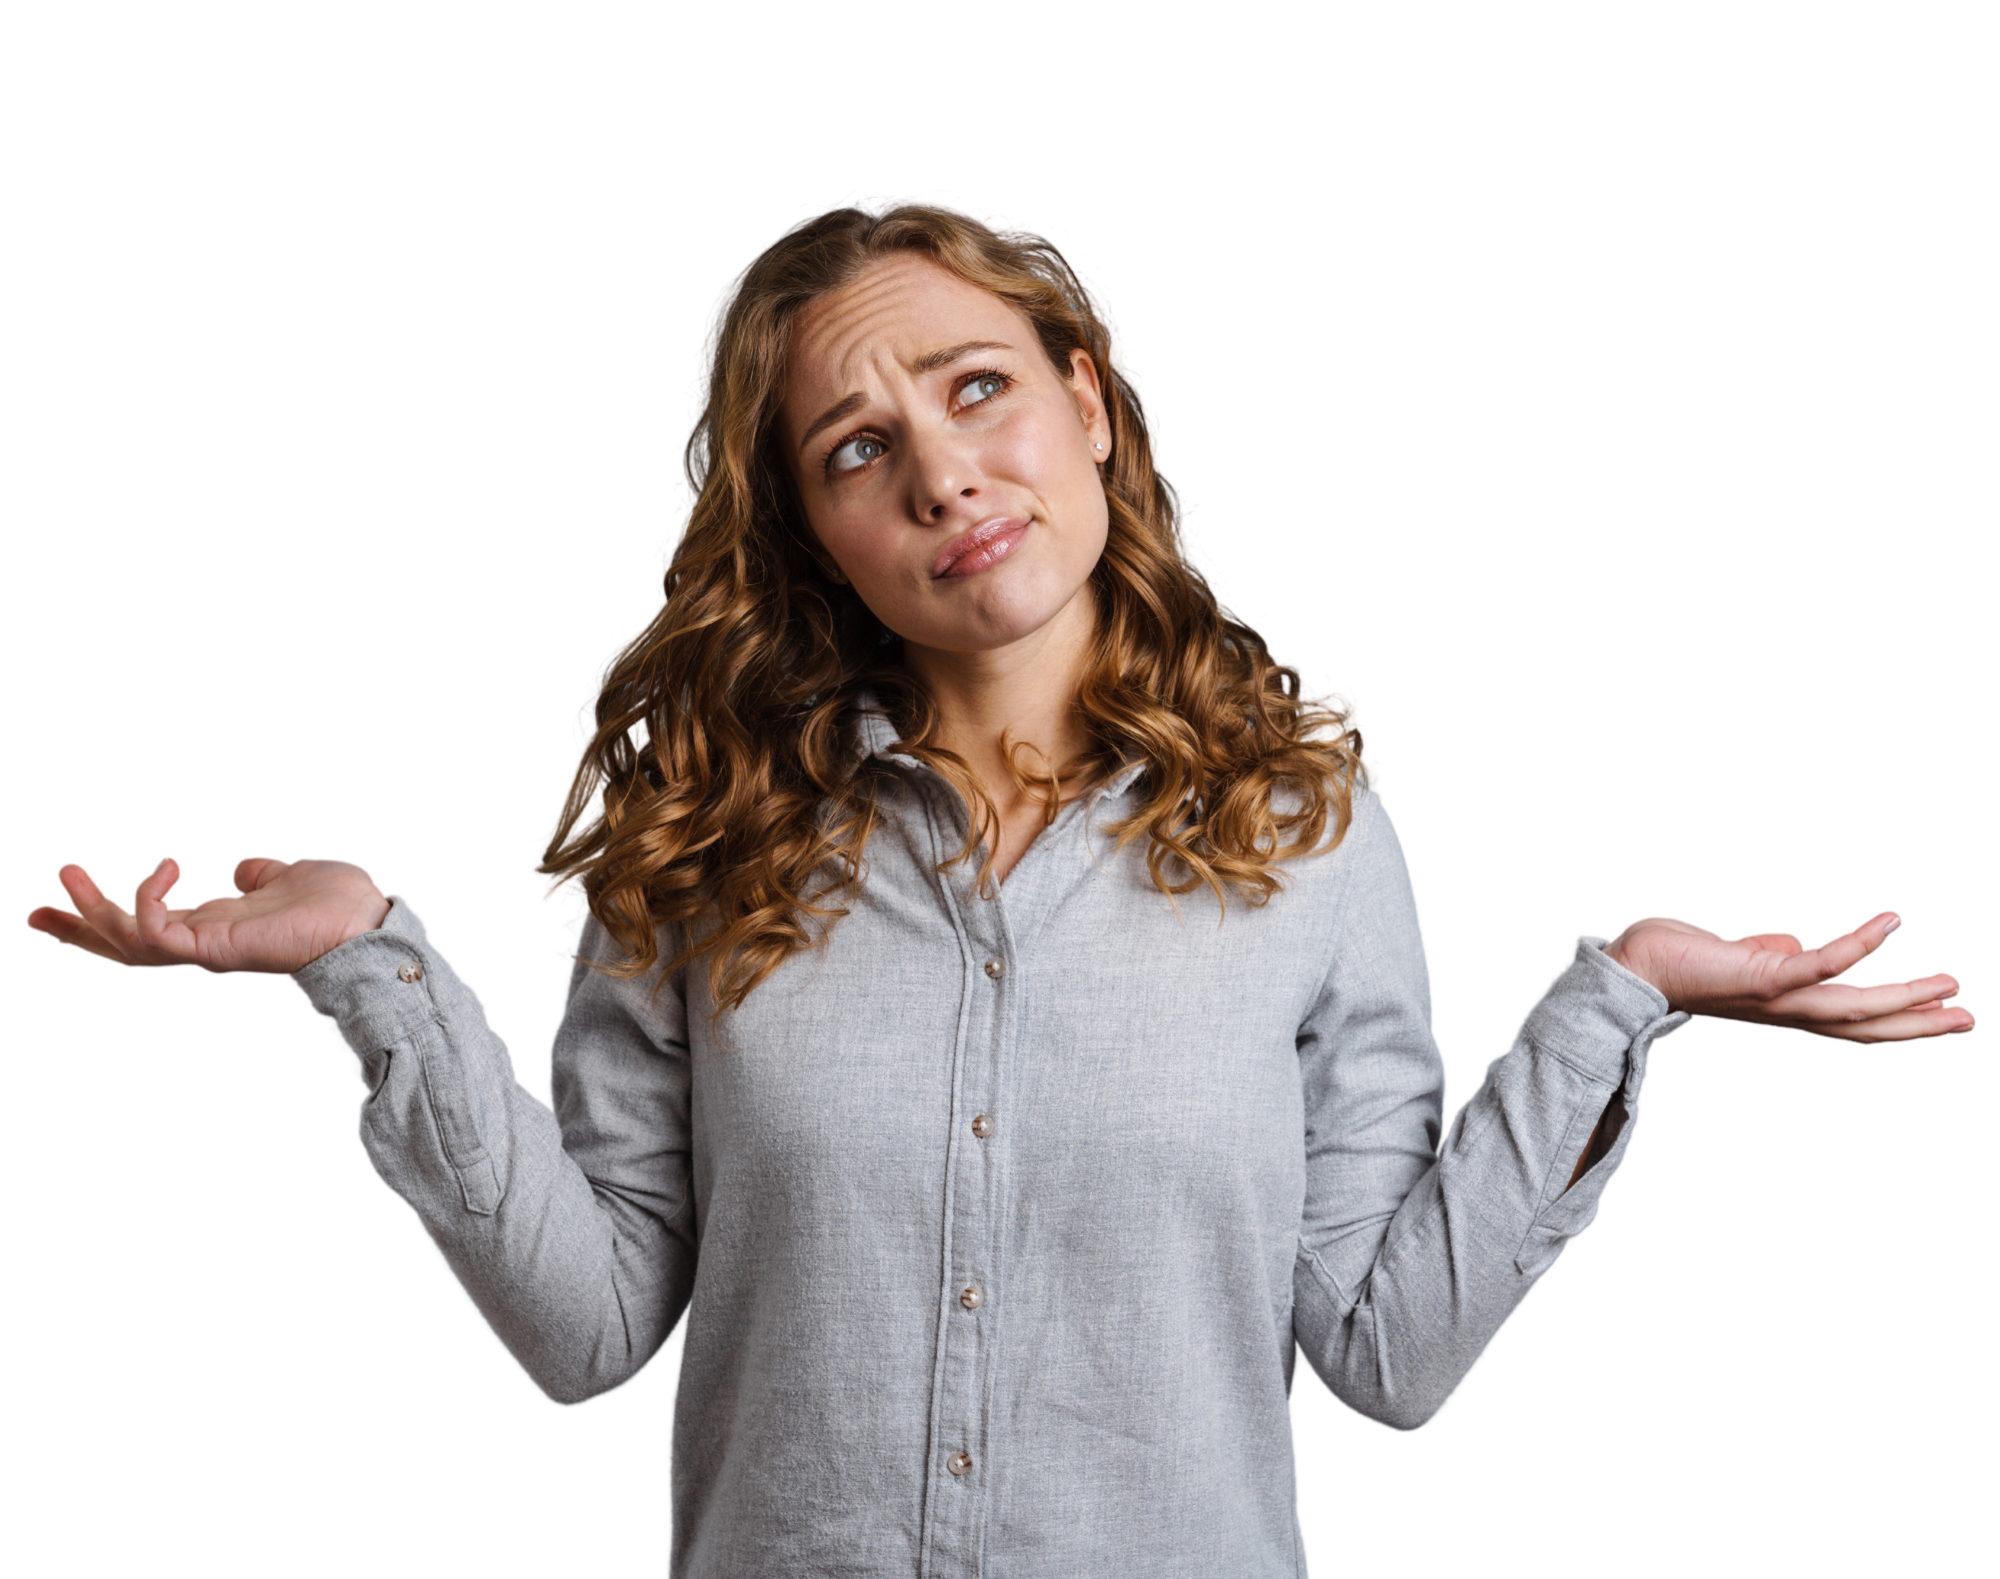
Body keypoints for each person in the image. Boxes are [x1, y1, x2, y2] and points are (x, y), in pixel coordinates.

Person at [21, 194, 1976, 1577]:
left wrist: (1617, 998)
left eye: (973, 390)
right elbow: (590, 1329)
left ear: (1088, 402)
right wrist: (373, 965)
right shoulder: (686, 820)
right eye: (857, 447)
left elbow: (1386, 1360)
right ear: (819, 539)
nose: (942, 477)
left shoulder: (1308, 817)